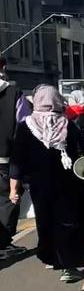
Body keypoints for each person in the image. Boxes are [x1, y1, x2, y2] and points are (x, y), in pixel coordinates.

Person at [9, 85, 84, 282]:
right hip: (68, 184)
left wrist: (14, 188)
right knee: (67, 222)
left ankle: (51, 257)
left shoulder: (26, 126)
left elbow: (17, 159)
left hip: (38, 186)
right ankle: (68, 267)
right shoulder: (67, 124)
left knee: (45, 222)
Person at [0, 56, 27, 261]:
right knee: (9, 197)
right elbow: (23, 127)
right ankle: (3, 243)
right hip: (6, 157)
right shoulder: (13, 94)